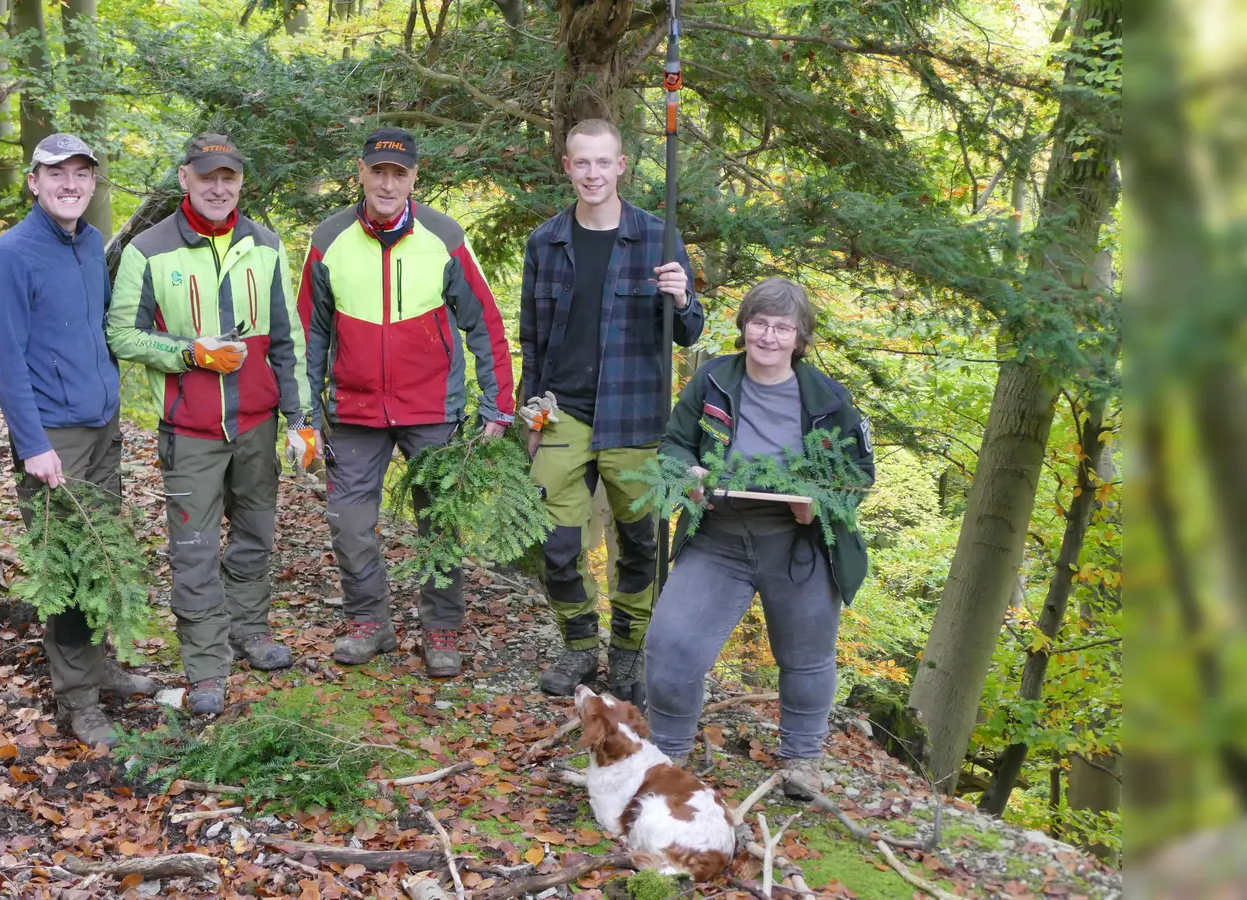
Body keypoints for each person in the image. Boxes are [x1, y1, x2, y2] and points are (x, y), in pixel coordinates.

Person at [106, 134, 315, 715]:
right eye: (207, 177)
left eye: (229, 177)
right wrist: (190, 353)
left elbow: (284, 339)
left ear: (240, 181)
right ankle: (204, 667)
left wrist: (300, 416)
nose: (219, 187)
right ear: (185, 179)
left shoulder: (267, 246)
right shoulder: (147, 251)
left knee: (254, 534)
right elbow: (120, 333)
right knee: (194, 549)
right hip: (189, 430)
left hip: (257, 426)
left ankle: (249, 631)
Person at [299, 126, 517, 679]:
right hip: (353, 411)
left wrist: (498, 405)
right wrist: (302, 411)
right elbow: (308, 332)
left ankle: (441, 627)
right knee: (349, 522)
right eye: (379, 171)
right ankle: (368, 622)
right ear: (362, 172)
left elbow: (485, 324)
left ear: (415, 177)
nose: (388, 182)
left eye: (399, 173)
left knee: (438, 522)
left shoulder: (444, 236)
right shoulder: (328, 239)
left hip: (432, 409)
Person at [643, 277, 874, 798]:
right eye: (760, 323)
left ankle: (802, 761)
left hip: (797, 543)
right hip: (718, 534)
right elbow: (675, 444)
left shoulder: (828, 397)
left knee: (807, 654)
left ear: (799, 337)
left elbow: (858, 474)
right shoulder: (713, 379)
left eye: (782, 327)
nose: (769, 336)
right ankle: (668, 753)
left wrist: (816, 502)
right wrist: (688, 477)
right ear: (744, 326)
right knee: (671, 642)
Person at [0, 132, 158, 747]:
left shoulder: (87, 247)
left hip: (101, 426)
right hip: (54, 434)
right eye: (57, 174)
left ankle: (97, 665)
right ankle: (78, 700)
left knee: (100, 555)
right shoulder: (11, 254)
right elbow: (7, 360)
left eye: (82, 174)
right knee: (66, 564)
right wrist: (32, 443)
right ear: (34, 181)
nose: (70, 184)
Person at [518, 119, 704, 702]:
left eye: (604, 163)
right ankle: (578, 645)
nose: (593, 173)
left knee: (641, 543)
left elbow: (690, 331)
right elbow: (531, 336)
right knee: (555, 539)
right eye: (582, 163)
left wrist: (682, 297)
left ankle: (627, 654)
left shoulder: (658, 238)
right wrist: (529, 412)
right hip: (562, 412)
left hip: (636, 418)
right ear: (567, 167)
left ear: (622, 166)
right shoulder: (545, 242)